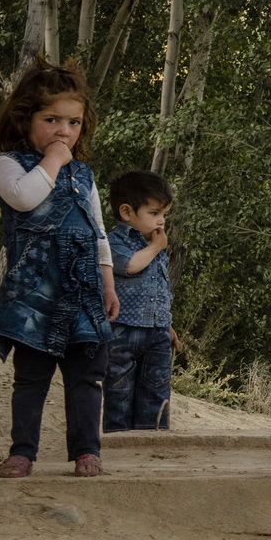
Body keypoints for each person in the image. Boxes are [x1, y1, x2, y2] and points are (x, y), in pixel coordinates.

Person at [0, 56, 117, 479]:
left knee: (86, 377)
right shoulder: (8, 165)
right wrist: (54, 161)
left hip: (83, 292)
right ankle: (23, 451)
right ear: (26, 120)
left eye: (73, 123)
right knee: (32, 377)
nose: (64, 132)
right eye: (52, 120)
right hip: (35, 295)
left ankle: (85, 452)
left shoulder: (84, 174)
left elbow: (97, 231)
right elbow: (25, 198)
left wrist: (108, 284)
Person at [104, 169, 176, 433]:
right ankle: (119, 444)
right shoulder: (114, 242)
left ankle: (151, 442)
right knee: (119, 391)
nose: (161, 222)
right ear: (126, 212)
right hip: (122, 331)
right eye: (154, 213)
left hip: (157, 333)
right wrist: (156, 248)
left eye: (164, 215)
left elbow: (160, 289)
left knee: (156, 391)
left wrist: (167, 325)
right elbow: (129, 266)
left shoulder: (153, 245)